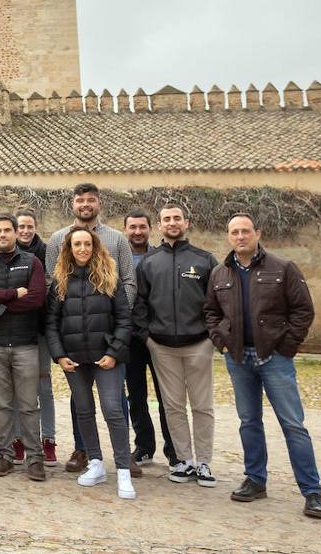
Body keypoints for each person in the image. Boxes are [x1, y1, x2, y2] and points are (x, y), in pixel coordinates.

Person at [205, 213, 321, 519]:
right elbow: (211, 313)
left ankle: (312, 492)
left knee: (293, 425)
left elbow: (303, 310)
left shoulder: (282, 268)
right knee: (249, 422)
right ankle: (255, 480)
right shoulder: (220, 273)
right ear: (228, 236)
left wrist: (286, 347)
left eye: (246, 231)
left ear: (257, 233)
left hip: (274, 359)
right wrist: (222, 342)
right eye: (235, 232)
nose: (240, 236)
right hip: (239, 359)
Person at [45, 182, 136, 475]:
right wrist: (59, 351)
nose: (85, 204)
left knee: (114, 404)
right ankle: (84, 451)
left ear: (99, 203)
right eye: (80, 200)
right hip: (74, 343)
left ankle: (124, 460)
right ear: (73, 203)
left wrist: (110, 314)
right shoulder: (57, 239)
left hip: (107, 338)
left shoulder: (117, 239)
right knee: (81, 404)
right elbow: (52, 289)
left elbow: (128, 282)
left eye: (91, 200)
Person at [133, 202, 218, 486]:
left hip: (198, 344)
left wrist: (211, 337)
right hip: (162, 346)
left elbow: (217, 303)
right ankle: (184, 460)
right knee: (173, 405)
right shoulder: (149, 261)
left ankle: (204, 462)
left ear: (186, 222)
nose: (172, 223)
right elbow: (140, 303)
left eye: (177, 218)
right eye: (167, 219)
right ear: (159, 225)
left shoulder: (204, 260)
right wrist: (147, 337)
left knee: (202, 405)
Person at [0, 214, 48, 481]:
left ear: (16, 233)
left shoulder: (32, 262)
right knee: (1, 405)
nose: (3, 234)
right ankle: (4, 455)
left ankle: (35, 458)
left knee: (29, 405)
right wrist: (14, 294)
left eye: (7, 230)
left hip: (25, 344)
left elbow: (37, 299)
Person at [123, 209, 177, 468]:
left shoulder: (160, 257)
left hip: (157, 336)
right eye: (132, 227)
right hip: (129, 338)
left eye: (142, 227)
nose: (137, 231)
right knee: (136, 395)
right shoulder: (118, 258)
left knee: (167, 395)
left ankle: (173, 448)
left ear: (150, 229)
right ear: (125, 230)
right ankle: (144, 446)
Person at [13, 209, 57, 467]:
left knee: (44, 387)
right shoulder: (7, 253)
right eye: (21, 227)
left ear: (36, 226)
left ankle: (48, 440)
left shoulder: (47, 252)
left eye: (29, 226)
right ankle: (18, 439)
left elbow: (47, 290)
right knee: (18, 388)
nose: (25, 231)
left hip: (40, 329)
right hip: (17, 329)